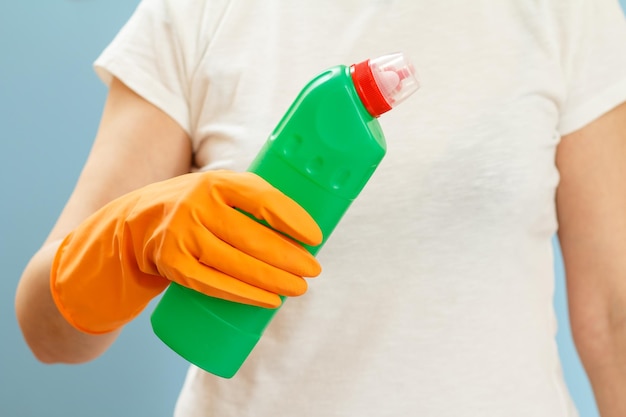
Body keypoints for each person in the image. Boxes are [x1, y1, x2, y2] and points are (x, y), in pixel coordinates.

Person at [14, 0, 626, 415]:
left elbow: (614, 315)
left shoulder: (567, 11)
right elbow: (49, 332)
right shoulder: (199, 10)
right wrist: (130, 239)